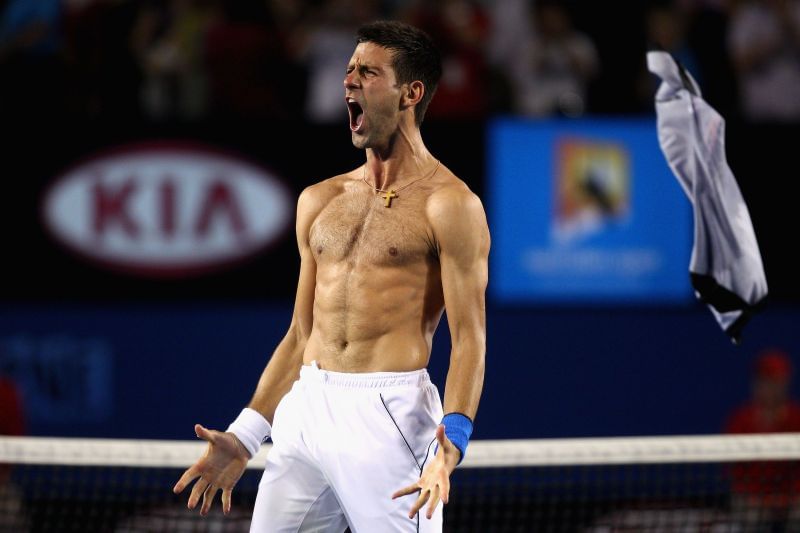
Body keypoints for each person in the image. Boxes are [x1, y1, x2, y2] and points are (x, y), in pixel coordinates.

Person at [173, 20, 490, 532]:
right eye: (348, 71)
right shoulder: (319, 200)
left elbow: (470, 340)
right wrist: (247, 434)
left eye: (368, 72)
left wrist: (448, 449)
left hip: (387, 418)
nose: (349, 82)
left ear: (411, 92)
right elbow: (302, 333)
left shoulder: (450, 205)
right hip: (306, 409)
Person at [725, 349, 800, 531]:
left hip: (791, 498)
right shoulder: (740, 421)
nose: (772, 388)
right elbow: (735, 472)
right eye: (767, 381)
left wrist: (790, 497)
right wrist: (757, 498)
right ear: (757, 383)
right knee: (750, 515)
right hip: (753, 498)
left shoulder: (796, 419)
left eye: (778, 381)